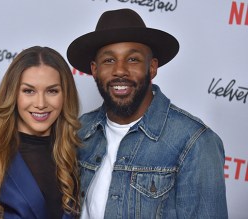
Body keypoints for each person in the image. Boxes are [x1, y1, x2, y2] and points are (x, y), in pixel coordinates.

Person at [67, 8, 228, 219]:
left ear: (152, 68)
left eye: (132, 59)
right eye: (109, 60)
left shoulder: (194, 143)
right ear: (95, 70)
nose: (120, 70)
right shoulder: (81, 131)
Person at [0, 46, 81, 219]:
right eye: (29, 91)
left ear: (65, 95)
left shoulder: (75, 158)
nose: (40, 103)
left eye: (52, 91)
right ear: (13, 94)